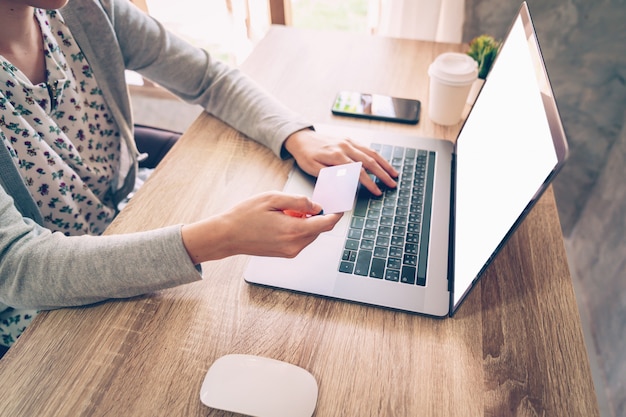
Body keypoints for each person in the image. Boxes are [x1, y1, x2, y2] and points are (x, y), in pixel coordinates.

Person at [0, 0, 398, 356]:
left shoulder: (88, 10)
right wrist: (222, 236)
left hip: (125, 217)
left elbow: (208, 77)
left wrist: (296, 136)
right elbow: (20, 267)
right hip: (41, 305)